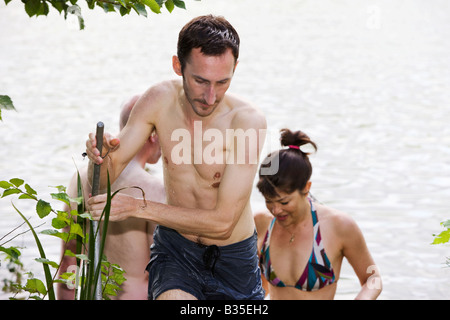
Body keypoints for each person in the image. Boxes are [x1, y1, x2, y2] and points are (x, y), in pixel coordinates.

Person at [85, 15, 267, 300]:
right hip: (176, 249)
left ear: (235, 69)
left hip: (233, 258)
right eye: (200, 81)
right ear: (177, 65)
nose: (210, 96)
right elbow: (106, 175)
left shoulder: (247, 122)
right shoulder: (158, 100)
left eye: (223, 82)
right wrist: (100, 157)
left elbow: (223, 222)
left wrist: (138, 207)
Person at [57, 95, 166, 300]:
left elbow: (68, 262)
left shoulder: (79, 178)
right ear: (152, 134)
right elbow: (163, 273)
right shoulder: (154, 190)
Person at [254, 128, 382, 300]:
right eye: (269, 201)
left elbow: (373, 279)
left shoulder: (339, 226)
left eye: (284, 202)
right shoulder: (262, 222)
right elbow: (259, 284)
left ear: (306, 188)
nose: (276, 210)